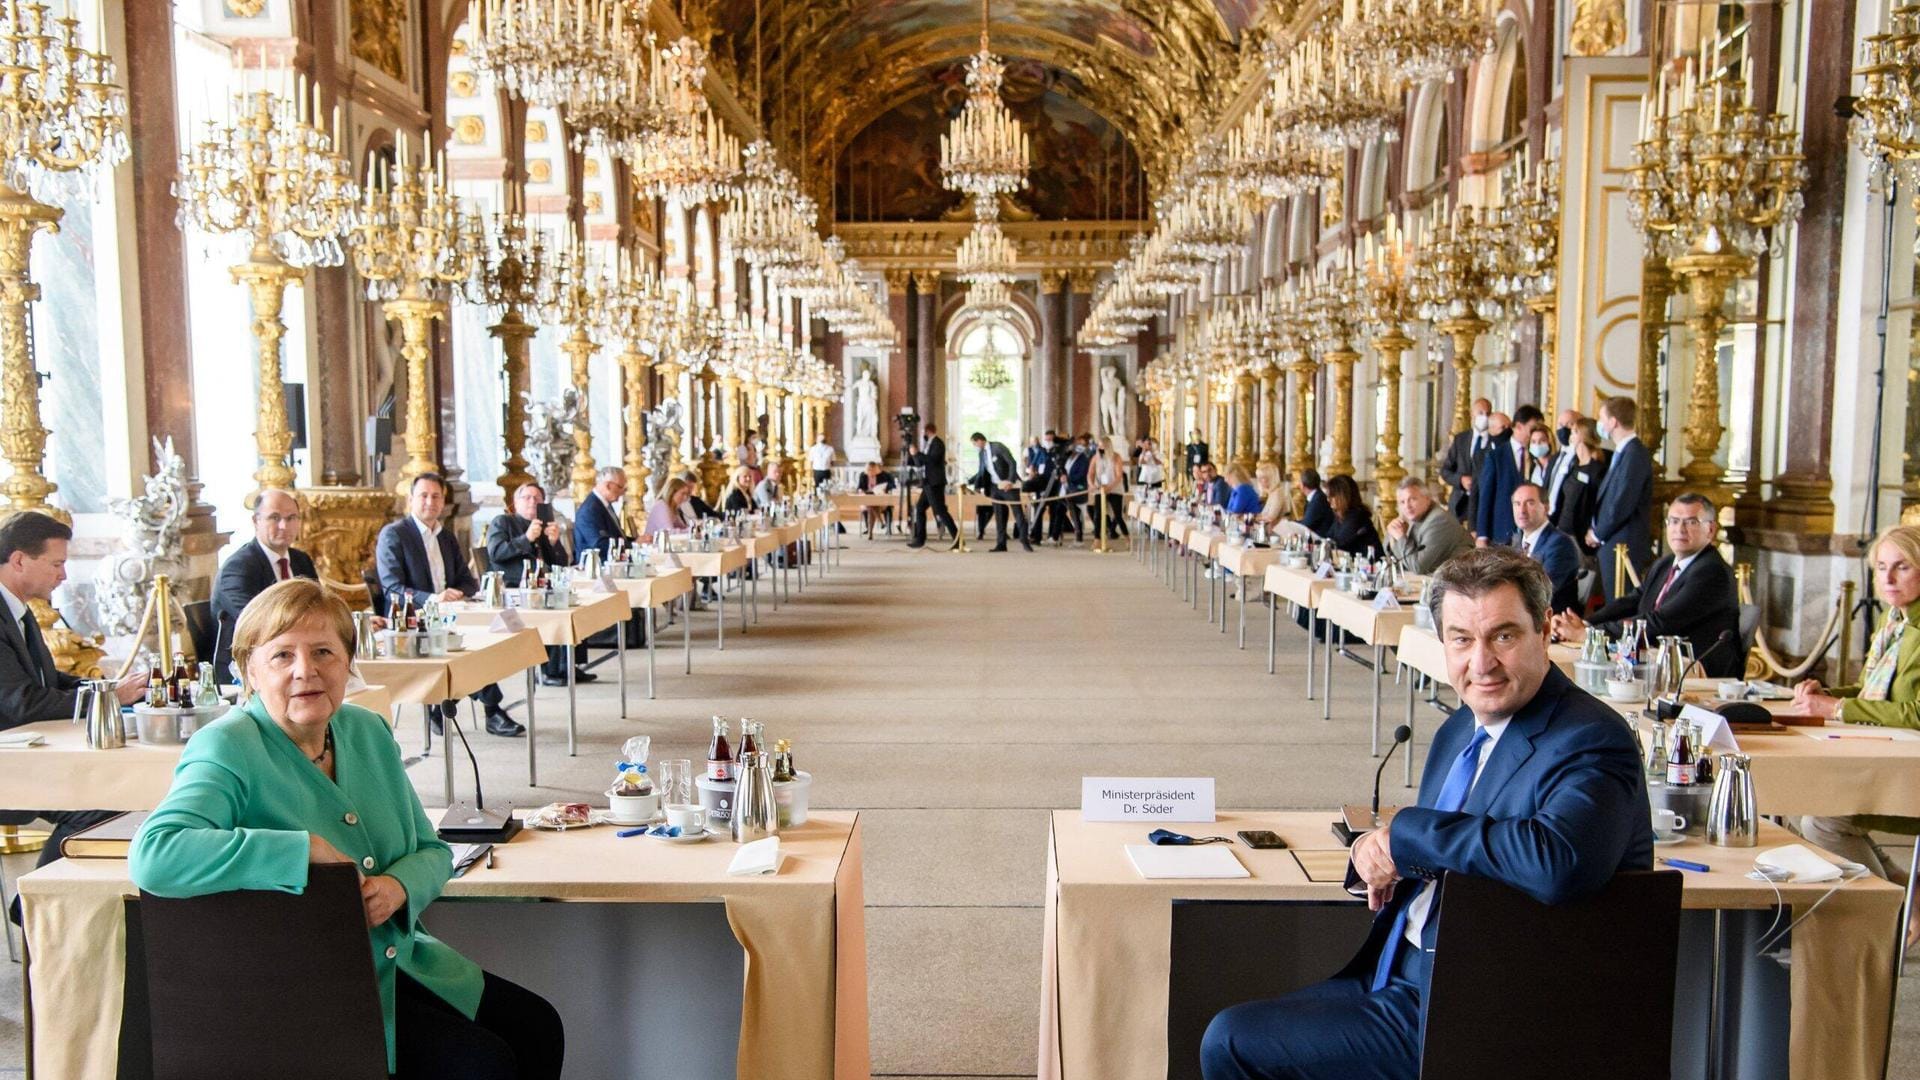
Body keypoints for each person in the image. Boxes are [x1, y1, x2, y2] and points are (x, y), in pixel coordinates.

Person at [1200, 548, 1650, 1080]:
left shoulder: (1591, 737)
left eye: (1503, 636)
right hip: (1404, 970)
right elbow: (1452, 843)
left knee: (1230, 1041)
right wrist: (1380, 852)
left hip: (1491, 1007)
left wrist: (1404, 835)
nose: (1481, 663)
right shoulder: (1463, 725)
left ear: (1545, 632)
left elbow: (1559, 861)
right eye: (1461, 639)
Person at [129, 579, 564, 1080]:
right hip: (303, 988)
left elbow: (431, 850)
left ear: (347, 662)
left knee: (538, 1027)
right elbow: (156, 854)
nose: (305, 671)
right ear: (249, 668)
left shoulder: (366, 730)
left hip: (399, 961)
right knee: (483, 1065)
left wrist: (398, 887)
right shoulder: (227, 745)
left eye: (323, 652)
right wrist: (301, 850)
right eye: (282, 656)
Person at [0, 511, 148, 911]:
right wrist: (109, 699)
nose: (63, 576)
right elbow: (21, 701)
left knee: (122, 791)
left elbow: (50, 680)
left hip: (29, 754)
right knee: (108, 803)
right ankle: (35, 910)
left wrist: (108, 688)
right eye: (56, 564)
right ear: (19, 561)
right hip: (9, 770)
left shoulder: (18, 609)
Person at [1790, 525, 1920, 945]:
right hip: (1885, 757)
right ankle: (1903, 889)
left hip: (1909, 774)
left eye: (1902, 567)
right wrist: (1827, 694)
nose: (1888, 579)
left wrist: (1839, 708)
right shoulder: (1892, 620)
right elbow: (1872, 693)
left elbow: (1914, 712)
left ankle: (1883, 916)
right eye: (1881, 567)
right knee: (1794, 802)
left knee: (1825, 819)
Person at [376, 474, 523, 738]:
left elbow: (467, 581)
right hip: (411, 623)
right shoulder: (394, 535)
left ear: (443, 501)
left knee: (483, 646)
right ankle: (490, 709)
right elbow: (392, 588)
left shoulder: (446, 537)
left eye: (436, 496)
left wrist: (455, 594)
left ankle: (445, 704)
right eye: (424, 495)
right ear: (411, 499)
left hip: (451, 617)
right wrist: (434, 599)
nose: (430, 502)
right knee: (467, 655)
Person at [1549, 493, 1742, 677]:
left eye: (1691, 522)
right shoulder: (1665, 563)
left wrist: (1591, 635)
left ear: (1710, 529)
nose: (1680, 529)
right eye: (1674, 521)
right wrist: (1586, 624)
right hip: (1653, 656)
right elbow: (1632, 601)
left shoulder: (1712, 571)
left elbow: (1662, 621)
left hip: (1693, 665)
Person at [486, 482, 593, 688]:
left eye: (537, 498)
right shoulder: (503, 522)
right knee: (552, 605)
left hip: (544, 584)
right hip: (514, 585)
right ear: (515, 503)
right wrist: (526, 538)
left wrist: (554, 543)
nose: (532, 502)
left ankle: (569, 664)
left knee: (573, 605)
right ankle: (550, 670)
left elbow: (561, 565)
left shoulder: (544, 525)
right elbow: (496, 552)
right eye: (526, 497)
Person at [212, 488, 321, 682]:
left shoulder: (301, 560)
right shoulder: (238, 567)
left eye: (291, 518)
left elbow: (319, 608)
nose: (283, 526)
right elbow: (257, 622)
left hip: (297, 658)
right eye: (274, 517)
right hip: (245, 667)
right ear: (256, 521)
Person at [1588, 396, 1653, 601]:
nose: (1600, 423)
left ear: (1613, 421)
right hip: (1613, 543)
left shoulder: (1635, 453)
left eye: (1602, 418)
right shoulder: (1624, 452)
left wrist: (1598, 534)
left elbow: (1622, 502)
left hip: (1624, 544)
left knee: (1619, 604)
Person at [1474, 406, 1541, 547]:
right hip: (1502, 532)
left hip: (1531, 533)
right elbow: (1485, 496)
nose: (1536, 433)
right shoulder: (1495, 457)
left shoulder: (1537, 456)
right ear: (1518, 427)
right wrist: (1482, 535)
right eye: (1532, 428)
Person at [1509, 482, 1580, 614]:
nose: (1522, 510)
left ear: (1546, 507)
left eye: (1530, 503)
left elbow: (1540, 592)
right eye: (1517, 504)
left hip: (1551, 623)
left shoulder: (1560, 544)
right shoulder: (1516, 542)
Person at [1384, 477, 1473, 574]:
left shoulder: (1439, 520)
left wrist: (1401, 537)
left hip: (1459, 582)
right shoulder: (1414, 517)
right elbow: (1394, 561)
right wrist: (1393, 535)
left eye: (1412, 499)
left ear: (1427, 499)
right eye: (1402, 502)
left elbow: (1418, 567)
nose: (1407, 506)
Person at [1549, 417, 1609, 549]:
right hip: (1562, 530)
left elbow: (1599, 504)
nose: (1570, 435)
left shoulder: (1597, 470)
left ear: (1583, 435)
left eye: (1574, 431)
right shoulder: (1574, 465)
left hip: (1579, 537)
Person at [967, 433, 1032, 552]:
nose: (974, 446)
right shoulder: (981, 453)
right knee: (999, 515)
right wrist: (970, 481)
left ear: (980, 440)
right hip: (995, 487)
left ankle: (1024, 541)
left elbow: (1012, 462)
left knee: (1018, 513)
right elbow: (982, 471)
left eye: (974, 443)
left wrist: (1010, 481)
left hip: (1009, 485)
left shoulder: (998, 447)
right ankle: (1001, 543)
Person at [1438, 397, 1493, 524]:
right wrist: (1461, 480)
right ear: (1472, 414)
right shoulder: (1460, 440)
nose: (1484, 417)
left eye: (1487, 413)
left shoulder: (1495, 442)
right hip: (1460, 503)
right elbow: (1445, 471)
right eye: (1480, 413)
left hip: (1484, 504)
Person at [908, 422, 960, 550]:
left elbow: (933, 460)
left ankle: (957, 538)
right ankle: (920, 539)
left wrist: (918, 454)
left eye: (923, 432)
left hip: (935, 483)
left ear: (928, 431)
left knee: (941, 511)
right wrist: (914, 455)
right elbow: (921, 462)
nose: (922, 435)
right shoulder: (928, 444)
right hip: (928, 482)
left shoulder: (938, 443)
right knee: (920, 508)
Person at [573, 466, 631, 562]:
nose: (622, 492)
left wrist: (635, 541)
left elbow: (615, 537)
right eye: (621, 487)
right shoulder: (589, 510)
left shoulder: (605, 505)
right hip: (596, 566)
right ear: (608, 485)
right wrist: (631, 545)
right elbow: (599, 544)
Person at [1323, 474, 1382, 557]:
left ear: (1343, 496)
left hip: (1370, 566)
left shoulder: (1357, 516)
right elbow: (1329, 538)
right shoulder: (1341, 515)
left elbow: (1339, 543)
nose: (1328, 500)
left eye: (1332, 496)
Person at [1088, 445, 1128, 540]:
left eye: (1102, 446)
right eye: (1099, 446)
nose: (1100, 449)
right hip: (1100, 489)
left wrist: (1110, 487)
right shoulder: (1095, 458)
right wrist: (1092, 485)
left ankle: (1127, 538)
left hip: (1115, 489)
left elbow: (1119, 476)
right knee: (1097, 514)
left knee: (1118, 515)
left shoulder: (1116, 457)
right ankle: (1097, 539)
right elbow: (1090, 473)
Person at [1296, 468, 1334, 536]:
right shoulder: (1316, 496)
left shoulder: (1318, 500)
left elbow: (1306, 524)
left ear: (1302, 485)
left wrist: (1288, 524)